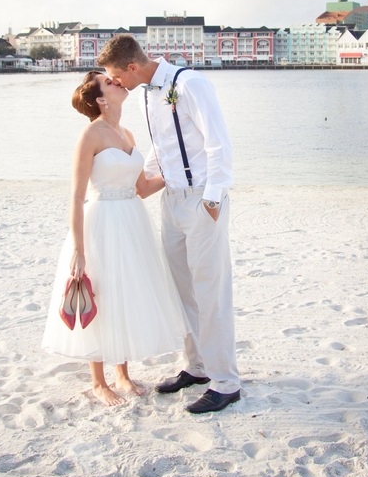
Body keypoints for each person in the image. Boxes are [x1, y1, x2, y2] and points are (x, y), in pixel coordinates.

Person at [98, 35, 240, 414]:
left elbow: (218, 143)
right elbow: (162, 146)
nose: (115, 84)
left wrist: (212, 199)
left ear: (131, 67)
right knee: (184, 290)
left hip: (202, 200)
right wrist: (137, 183)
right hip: (171, 200)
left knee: (211, 290)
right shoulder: (146, 93)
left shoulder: (191, 84)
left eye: (115, 75)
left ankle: (226, 382)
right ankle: (197, 367)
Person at [41, 69, 188, 407]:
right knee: (103, 292)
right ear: (101, 100)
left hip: (132, 220)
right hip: (101, 221)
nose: (116, 80)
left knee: (125, 291)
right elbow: (77, 196)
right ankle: (98, 381)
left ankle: (122, 373)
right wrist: (78, 248)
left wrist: (176, 167)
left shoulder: (127, 134)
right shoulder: (90, 135)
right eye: (107, 82)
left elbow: (141, 188)